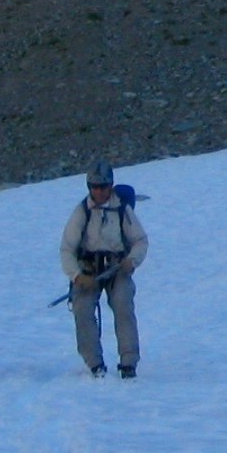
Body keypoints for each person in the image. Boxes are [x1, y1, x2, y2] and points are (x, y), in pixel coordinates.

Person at [60, 161, 148, 376]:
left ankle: (128, 363)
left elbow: (140, 240)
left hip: (118, 269)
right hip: (88, 271)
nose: (98, 191)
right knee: (82, 308)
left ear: (111, 185)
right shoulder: (82, 211)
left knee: (123, 305)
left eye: (103, 186)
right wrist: (77, 276)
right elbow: (67, 249)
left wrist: (131, 261)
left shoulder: (122, 210)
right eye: (94, 187)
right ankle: (94, 363)